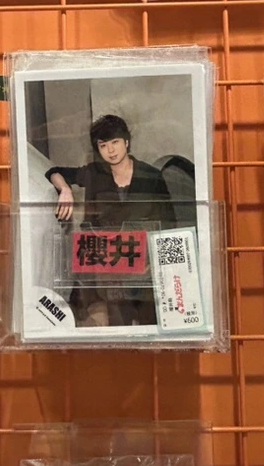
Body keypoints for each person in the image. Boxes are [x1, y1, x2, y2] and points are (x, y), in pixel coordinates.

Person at [44, 114, 176, 327]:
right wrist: (65, 190)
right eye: (103, 145)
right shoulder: (94, 173)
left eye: (115, 142)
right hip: (108, 270)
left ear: (126, 142)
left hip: (144, 268)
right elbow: (54, 172)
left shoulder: (150, 176)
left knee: (149, 326)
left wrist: (156, 263)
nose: (111, 150)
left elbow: (169, 223)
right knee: (114, 325)